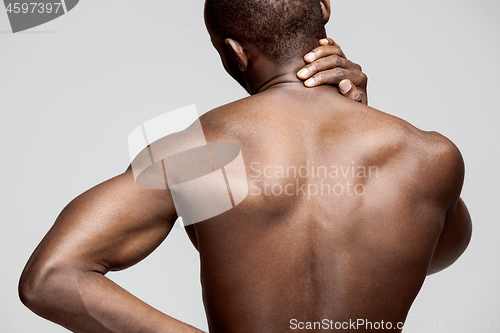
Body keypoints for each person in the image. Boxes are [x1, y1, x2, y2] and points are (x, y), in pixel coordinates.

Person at [18, 1, 471, 332]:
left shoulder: (201, 152)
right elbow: (430, 253)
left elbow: (50, 278)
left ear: (234, 51)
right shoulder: (428, 155)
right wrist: (362, 116)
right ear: (324, 8)